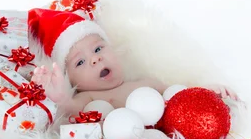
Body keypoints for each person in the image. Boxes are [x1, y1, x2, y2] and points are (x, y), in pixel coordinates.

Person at [28, 8, 238, 118]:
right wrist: (61, 97)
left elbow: (180, 95)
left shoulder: (145, 83)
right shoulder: (88, 97)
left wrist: (205, 91)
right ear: (71, 80)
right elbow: (71, 110)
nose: (95, 58)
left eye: (99, 48)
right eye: (80, 62)